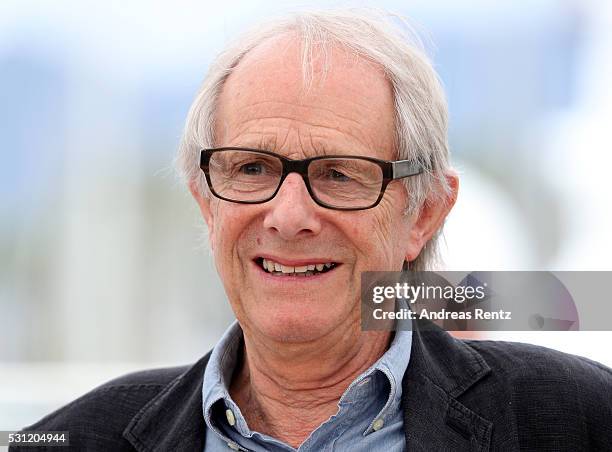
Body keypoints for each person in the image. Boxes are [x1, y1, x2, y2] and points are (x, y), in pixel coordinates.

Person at [15, 9, 612, 451]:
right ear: (206, 202)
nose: (290, 215)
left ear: (424, 214)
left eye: (339, 174)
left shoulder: (582, 420)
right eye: (251, 168)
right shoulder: (67, 440)